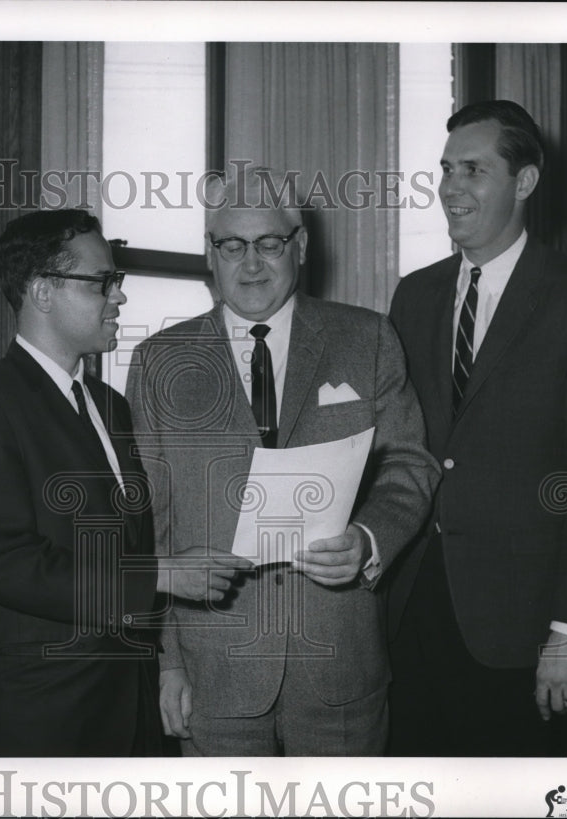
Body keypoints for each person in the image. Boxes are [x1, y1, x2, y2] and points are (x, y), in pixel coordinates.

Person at [125, 166, 440, 756]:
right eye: (232, 246)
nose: (251, 264)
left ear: (300, 247)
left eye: (269, 244)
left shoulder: (366, 337)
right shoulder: (159, 360)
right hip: (213, 672)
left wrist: (370, 540)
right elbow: (154, 521)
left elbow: (408, 466)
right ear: (210, 254)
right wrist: (169, 661)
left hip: (341, 668)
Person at [0, 209, 245, 756]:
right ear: (41, 292)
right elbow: (9, 566)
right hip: (40, 715)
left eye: (117, 281)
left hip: (125, 704)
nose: (119, 297)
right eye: (102, 282)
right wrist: (160, 574)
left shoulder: (111, 405)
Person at [387, 100, 567, 756]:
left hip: (524, 627)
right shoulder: (413, 295)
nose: (449, 186)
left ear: (524, 183)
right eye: (445, 169)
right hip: (413, 611)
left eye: (473, 169)